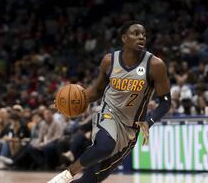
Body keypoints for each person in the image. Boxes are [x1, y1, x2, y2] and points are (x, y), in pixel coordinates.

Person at [48, 21, 171, 183]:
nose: (141, 37)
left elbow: (165, 102)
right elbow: (97, 91)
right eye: (136, 33)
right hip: (108, 113)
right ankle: (67, 174)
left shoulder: (155, 65)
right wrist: (71, 101)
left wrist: (149, 122)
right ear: (124, 38)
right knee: (105, 146)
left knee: (91, 179)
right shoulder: (109, 61)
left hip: (130, 129)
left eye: (144, 34)